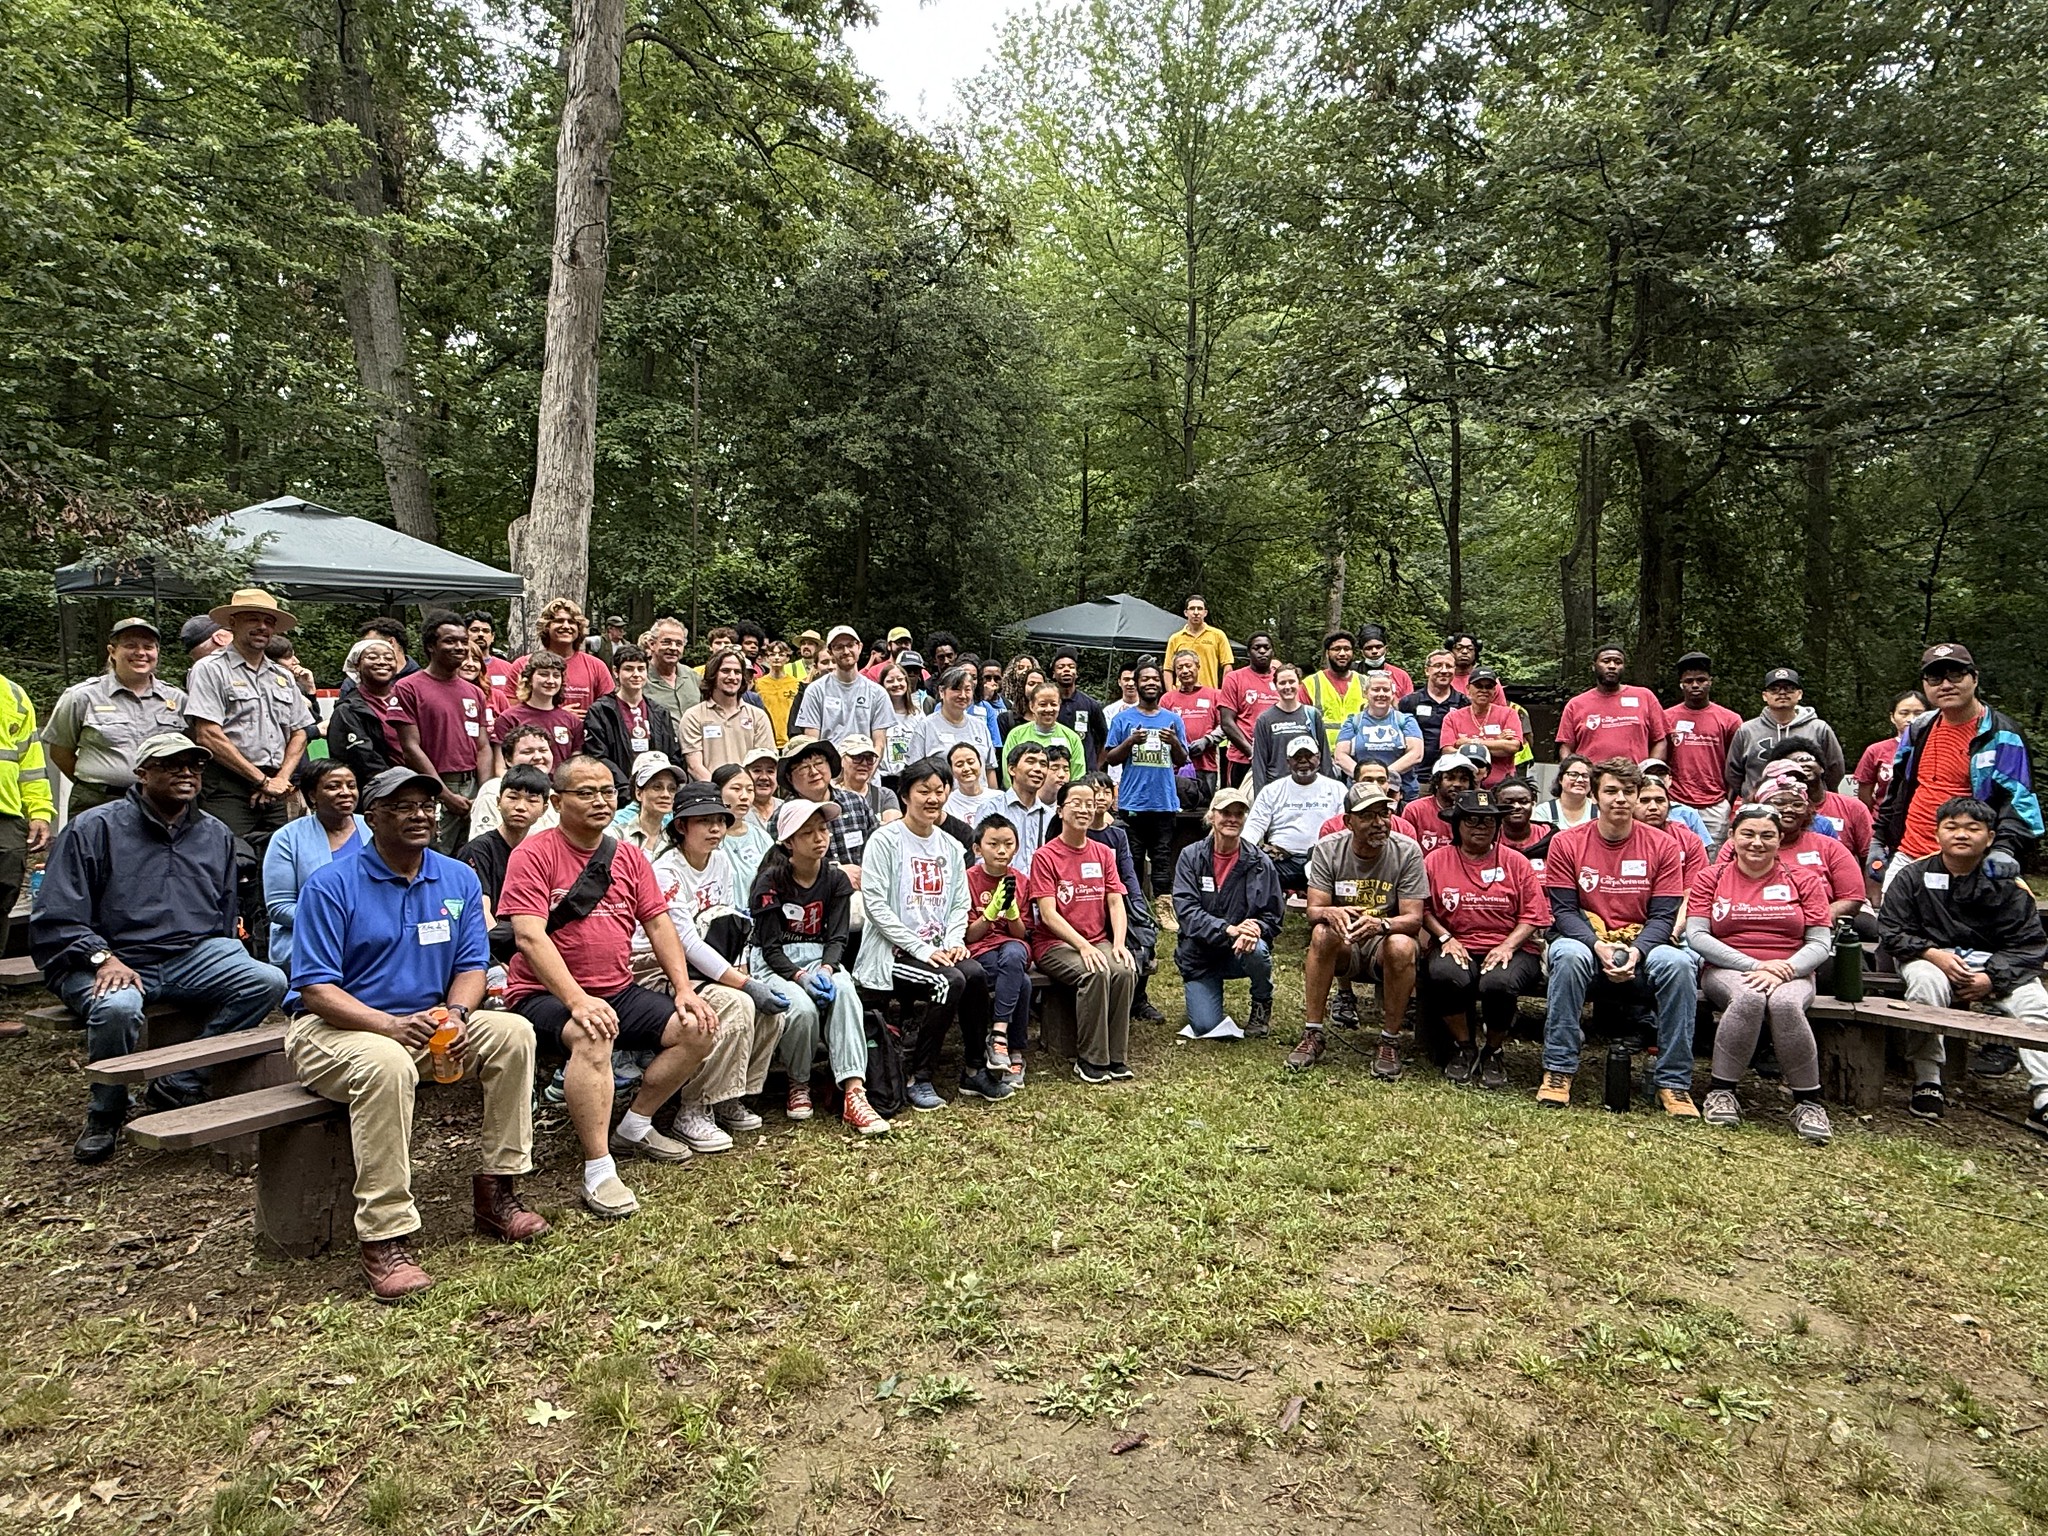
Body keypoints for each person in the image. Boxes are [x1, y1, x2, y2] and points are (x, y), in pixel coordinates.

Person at [284, 766, 547, 1300]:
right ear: (371, 816)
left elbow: (473, 965)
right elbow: (315, 990)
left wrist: (455, 1014)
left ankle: (499, 1190)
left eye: (426, 805)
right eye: (401, 806)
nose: (419, 815)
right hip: (335, 1029)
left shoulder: (456, 877)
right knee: (387, 1063)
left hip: (428, 1024)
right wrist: (388, 1025)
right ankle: (385, 1234)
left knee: (514, 1032)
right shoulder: (331, 885)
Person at [32, 734, 288, 1162]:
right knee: (116, 1009)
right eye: (172, 765)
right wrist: (102, 957)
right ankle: (106, 1112)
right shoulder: (94, 827)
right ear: (142, 773)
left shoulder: (215, 834)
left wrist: (225, 951)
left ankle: (183, 1080)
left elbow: (223, 913)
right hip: (105, 957)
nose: (186, 773)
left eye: (195, 766)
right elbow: (56, 914)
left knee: (266, 979)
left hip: (187, 956)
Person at [497, 756, 722, 1217]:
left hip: (618, 987)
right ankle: (598, 1168)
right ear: (557, 802)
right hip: (542, 995)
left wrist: (683, 988)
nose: (600, 800)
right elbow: (528, 936)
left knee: (696, 1027)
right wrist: (577, 1000)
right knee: (592, 1033)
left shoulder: (628, 856)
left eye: (607, 791)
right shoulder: (533, 855)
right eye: (586, 792)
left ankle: (635, 1125)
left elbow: (659, 924)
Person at [1536, 758, 1700, 1117]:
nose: (1621, 799)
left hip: (1645, 943)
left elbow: (1663, 916)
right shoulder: (1566, 843)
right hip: (1585, 940)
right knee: (1566, 956)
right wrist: (1599, 945)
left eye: (1629, 791)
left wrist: (1637, 952)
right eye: (1611, 790)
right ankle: (1559, 1070)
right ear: (1596, 794)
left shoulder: (1663, 845)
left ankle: (1673, 1082)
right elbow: (1562, 912)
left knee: (1680, 964)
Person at [636, 783, 791, 1149]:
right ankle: (694, 1107)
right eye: (702, 822)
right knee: (736, 1005)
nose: (714, 829)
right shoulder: (666, 871)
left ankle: (729, 1097)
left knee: (772, 1012)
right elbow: (683, 940)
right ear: (680, 827)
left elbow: (726, 922)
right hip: (657, 967)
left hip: (705, 965)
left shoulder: (720, 861)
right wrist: (743, 983)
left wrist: (742, 971)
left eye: (719, 821)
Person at [1879, 795, 2048, 1127]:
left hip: (1995, 964)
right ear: (1937, 833)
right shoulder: (1912, 877)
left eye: (1973, 828)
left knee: (2037, 1003)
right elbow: (1892, 929)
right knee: (1925, 983)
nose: (1961, 834)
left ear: (1990, 837)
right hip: (1929, 956)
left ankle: (2044, 1095)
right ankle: (1928, 1080)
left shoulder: (2010, 885)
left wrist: (1992, 977)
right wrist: (1934, 955)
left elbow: (2028, 945)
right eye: (1951, 827)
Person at [854, 756, 1011, 1107]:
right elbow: (875, 906)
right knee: (949, 981)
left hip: (940, 950)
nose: (932, 799)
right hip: (892, 953)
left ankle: (973, 1071)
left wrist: (955, 941)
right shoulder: (885, 841)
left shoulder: (952, 847)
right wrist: (923, 950)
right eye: (923, 791)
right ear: (905, 795)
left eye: (940, 791)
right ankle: (918, 1076)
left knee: (972, 973)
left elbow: (959, 903)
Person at [1687, 804, 1835, 1143]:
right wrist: (1754, 966)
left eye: (1767, 835)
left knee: (1784, 1004)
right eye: (1748, 834)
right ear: (1733, 838)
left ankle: (1808, 1103)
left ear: (1780, 839)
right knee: (1749, 996)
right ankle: (1722, 1091)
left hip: (1792, 970)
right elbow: (1697, 936)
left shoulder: (1804, 879)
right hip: (1728, 968)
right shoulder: (1712, 877)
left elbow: (1819, 942)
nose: (1757, 842)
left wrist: (1787, 969)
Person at [745, 799, 888, 1132]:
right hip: (775, 963)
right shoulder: (770, 882)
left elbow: (837, 938)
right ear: (789, 842)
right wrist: (799, 977)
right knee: (801, 1008)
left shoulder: (836, 880)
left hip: (821, 957)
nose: (819, 838)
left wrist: (825, 970)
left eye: (822, 829)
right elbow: (769, 947)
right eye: (807, 833)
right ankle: (799, 1080)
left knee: (846, 993)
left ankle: (855, 1091)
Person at [181, 587, 313, 936]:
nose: (261, 627)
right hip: (227, 785)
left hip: (277, 786)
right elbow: (207, 734)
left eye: (268, 621)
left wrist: (280, 779)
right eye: (253, 619)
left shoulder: (283, 676)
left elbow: (301, 731)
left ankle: (275, 945)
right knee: (230, 866)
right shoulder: (210, 670)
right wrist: (259, 780)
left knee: (281, 867)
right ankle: (227, 944)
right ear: (233, 622)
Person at [1874, 643, 2041, 889]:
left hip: (1971, 862)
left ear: (1974, 678)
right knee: (1891, 927)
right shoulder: (1919, 729)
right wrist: (1879, 839)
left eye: (1956, 674)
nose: (1945, 684)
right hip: (1909, 856)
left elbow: (2019, 801)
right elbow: (1897, 790)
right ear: (1924, 684)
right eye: (1935, 677)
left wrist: (2004, 848)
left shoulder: (2001, 735)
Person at [1290, 782, 1428, 1077]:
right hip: (1346, 940)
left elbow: (1414, 918)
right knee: (1322, 933)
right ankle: (1313, 1033)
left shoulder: (1407, 851)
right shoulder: (1329, 849)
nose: (1379, 823)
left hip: (1385, 939)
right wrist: (1331, 912)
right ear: (1348, 821)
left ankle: (1389, 1040)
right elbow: (1313, 911)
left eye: (1384, 814)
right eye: (1368, 816)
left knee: (1402, 945)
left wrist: (1381, 924)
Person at [1420, 789, 1550, 1087]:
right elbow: (1424, 908)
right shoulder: (1435, 861)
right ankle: (1465, 1047)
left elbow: (1533, 915)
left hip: (1513, 946)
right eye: (1472, 821)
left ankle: (1493, 1049)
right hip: (1456, 941)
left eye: (1488, 822)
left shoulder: (1516, 862)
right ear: (1457, 824)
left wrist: (1507, 945)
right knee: (1446, 974)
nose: (1481, 827)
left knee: (1498, 982)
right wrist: (1444, 938)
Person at [1028, 778, 1139, 1083]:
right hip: (1055, 944)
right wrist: (1083, 946)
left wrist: (1119, 943)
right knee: (1096, 973)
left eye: (1089, 803)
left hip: (1097, 939)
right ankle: (1091, 1059)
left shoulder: (1104, 853)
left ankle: (1116, 1056)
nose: (1084, 808)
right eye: (1076, 802)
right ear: (1061, 811)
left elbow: (1116, 903)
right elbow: (1048, 915)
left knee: (1124, 970)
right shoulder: (1045, 856)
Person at [42, 616, 188, 816]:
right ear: (112, 652)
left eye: (148, 646)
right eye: (130, 646)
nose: (140, 653)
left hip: (160, 802)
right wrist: (95, 782)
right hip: (97, 802)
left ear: (157, 652)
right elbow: (60, 752)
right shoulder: (82, 696)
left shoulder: (177, 700)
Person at [1172, 785, 1284, 1039]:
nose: (1232, 819)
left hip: (1242, 950)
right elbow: (1186, 911)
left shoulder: (1260, 862)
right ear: (1212, 816)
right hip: (1200, 954)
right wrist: (1229, 930)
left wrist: (1256, 928)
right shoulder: (1190, 857)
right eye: (1226, 813)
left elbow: (1273, 916)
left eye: (1239, 813)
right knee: (1204, 1026)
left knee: (1256, 948)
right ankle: (1205, 993)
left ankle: (1261, 1002)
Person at [390, 613, 494, 855]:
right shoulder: (408, 687)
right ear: (430, 646)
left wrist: (485, 791)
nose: (459, 647)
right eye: (450, 641)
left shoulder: (474, 692)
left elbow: (483, 745)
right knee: (432, 855)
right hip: (432, 786)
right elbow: (410, 747)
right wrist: (444, 794)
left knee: (474, 855)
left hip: (474, 786)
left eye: (463, 641)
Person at [263, 760, 368, 971]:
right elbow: (279, 907)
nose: (346, 792)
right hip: (310, 939)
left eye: (351, 785)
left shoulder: (374, 828)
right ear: (312, 795)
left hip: (375, 937)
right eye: (333, 786)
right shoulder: (288, 838)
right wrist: (340, 923)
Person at [1101, 663, 1189, 919]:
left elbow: (1182, 759)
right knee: (1133, 857)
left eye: (1155, 679)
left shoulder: (1173, 720)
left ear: (1161, 684)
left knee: (1162, 856)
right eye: (1145, 679)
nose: (1150, 683)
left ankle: (1163, 907)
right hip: (1132, 802)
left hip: (1164, 801)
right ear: (1136, 684)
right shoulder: (1122, 719)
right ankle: (1135, 907)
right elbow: (1111, 758)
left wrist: (1173, 742)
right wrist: (1130, 742)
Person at [458, 763, 552, 983]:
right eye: (513, 797)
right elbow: (482, 916)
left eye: (532, 800)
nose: (521, 806)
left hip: (531, 943)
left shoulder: (540, 852)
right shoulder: (478, 850)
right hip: (490, 949)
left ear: (545, 809)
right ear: (498, 802)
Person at [965, 815, 1034, 1080]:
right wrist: (991, 913)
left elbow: (1022, 934)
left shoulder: (1021, 882)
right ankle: (1014, 1051)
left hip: (1012, 948)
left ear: (1016, 847)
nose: (1001, 850)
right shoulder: (968, 879)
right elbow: (970, 936)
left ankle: (998, 1037)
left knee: (1015, 953)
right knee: (1023, 983)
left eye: (1008, 844)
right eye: (993, 844)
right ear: (977, 848)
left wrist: (1012, 913)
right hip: (982, 951)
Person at [1726, 667, 1847, 801]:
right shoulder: (1747, 730)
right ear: (1765, 696)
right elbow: (1733, 772)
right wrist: (1749, 794)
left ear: (1800, 694)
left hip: (1807, 804)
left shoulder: (1819, 728)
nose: (1782, 693)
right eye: (1774, 689)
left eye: (1789, 688)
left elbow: (1834, 768)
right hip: (1760, 806)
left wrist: (1818, 794)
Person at [779, 736, 878, 890]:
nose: (813, 772)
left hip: (862, 892)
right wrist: (834, 872)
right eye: (803, 768)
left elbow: (877, 848)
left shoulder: (856, 802)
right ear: (789, 778)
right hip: (812, 900)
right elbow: (780, 868)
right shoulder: (783, 815)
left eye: (819, 763)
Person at [1246, 738, 1347, 890]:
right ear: (1288, 762)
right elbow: (1254, 826)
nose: (1303, 761)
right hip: (1281, 860)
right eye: (1297, 757)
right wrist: (1242, 850)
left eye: (1309, 756)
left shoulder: (1337, 789)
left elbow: (1345, 828)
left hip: (1325, 859)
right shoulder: (1272, 790)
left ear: (1318, 758)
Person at [1663, 653, 1744, 843]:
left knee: (1713, 859)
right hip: (1676, 801)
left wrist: (1728, 802)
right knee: (1677, 853)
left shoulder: (1730, 720)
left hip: (1715, 803)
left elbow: (1736, 765)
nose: (1695, 685)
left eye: (1701, 680)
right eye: (1689, 681)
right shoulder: (1666, 718)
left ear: (1710, 682)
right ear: (1681, 684)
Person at [586, 643, 684, 794]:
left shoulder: (660, 712)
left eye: (641, 669)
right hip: (616, 792)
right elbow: (598, 756)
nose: (636, 674)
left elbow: (672, 754)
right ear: (616, 672)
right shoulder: (601, 711)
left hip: (655, 792)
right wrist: (626, 789)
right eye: (629, 669)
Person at [1556, 645, 1670, 765]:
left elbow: (1660, 740)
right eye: (1606, 661)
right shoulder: (1576, 704)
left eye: (1618, 662)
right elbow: (1566, 747)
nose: (1612, 666)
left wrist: (1649, 773)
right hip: (1591, 779)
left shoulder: (1644, 697)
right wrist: (1571, 773)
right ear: (1593, 666)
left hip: (1634, 779)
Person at [679, 648, 776, 782]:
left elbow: (765, 763)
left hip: (749, 793)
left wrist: (743, 789)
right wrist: (719, 792)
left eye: (737, 672)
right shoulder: (693, 716)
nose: (732, 677)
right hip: (711, 795)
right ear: (713, 674)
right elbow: (694, 766)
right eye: (725, 671)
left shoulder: (758, 716)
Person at [794, 625, 892, 755]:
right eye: (839, 647)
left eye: (850, 645)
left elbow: (879, 745)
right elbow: (812, 742)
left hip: (866, 768)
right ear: (830, 652)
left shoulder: (878, 693)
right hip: (829, 771)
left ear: (860, 647)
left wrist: (867, 774)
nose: (846, 651)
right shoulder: (815, 691)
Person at [510, 599, 614, 717]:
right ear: (546, 626)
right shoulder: (523, 665)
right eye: (559, 621)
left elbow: (610, 709)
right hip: (536, 733)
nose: (566, 626)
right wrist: (558, 717)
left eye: (571, 622)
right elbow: (512, 712)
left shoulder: (596, 666)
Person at [326, 638, 406, 788]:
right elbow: (364, 759)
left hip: (420, 782)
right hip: (380, 790)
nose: (382, 662)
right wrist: (398, 785)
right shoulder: (347, 710)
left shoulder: (408, 699)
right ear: (357, 665)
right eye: (372, 657)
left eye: (389, 658)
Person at [1334, 673, 1424, 796]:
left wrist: (1382, 776)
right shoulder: (1353, 722)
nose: (1381, 694)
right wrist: (1366, 778)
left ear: (1392, 694)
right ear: (1365, 693)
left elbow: (1416, 754)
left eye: (1386, 690)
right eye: (1375, 690)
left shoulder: (1406, 720)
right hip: (1361, 793)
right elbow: (1340, 755)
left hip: (1401, 793)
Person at [470, 726, 562, 841]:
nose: (538, 757)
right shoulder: (494, 789)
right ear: (508, 760)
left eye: (543, 750)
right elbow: (482, 844)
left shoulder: (554, 794)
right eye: (527, 752)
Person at [1437, 668, 1522, 788]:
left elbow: (1513, 746)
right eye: (1478, 686)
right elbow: (1447, 750)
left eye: (1488, 687)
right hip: (1463, 785)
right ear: (1468, 689)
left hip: (1502, 785)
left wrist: (1469, 743)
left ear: (1494, 690)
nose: (1483, 690)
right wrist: (1497, 743)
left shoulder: (1509, 714)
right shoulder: (1452, 717)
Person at [1249, 664, 1329, 790]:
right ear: (1275, 686)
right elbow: (1259, 762)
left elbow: (1324, 756)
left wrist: (1328, 789)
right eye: (1282, 683)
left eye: (1291, 682)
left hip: (1309, 785)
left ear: (1299, 684)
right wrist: (1260, 796)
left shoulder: (1312, 715)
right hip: (1277, 788)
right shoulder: (1265, 719)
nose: (1287, 687)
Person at [495, 653, 583, 766]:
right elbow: (500, 767)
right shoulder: (508, 718)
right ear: (529, 679)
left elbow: (575, 767)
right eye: (543, 674)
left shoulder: (572, 721)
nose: (551, 681)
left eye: (556, 676)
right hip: (522, 782)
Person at [1217, 633, 1281, 786]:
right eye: (1256, 648)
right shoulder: (1234, 678)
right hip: (1242, 758)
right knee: (1240, 807)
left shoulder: (1281, 680)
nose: (1262, 651)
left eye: (1267, 647)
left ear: (1273, 651)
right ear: (1248, 653)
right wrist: (1252, 753)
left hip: (1276, 759)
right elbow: (1227, 722)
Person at [909, 665, 996, 772]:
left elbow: (989, 770)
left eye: (967, 690)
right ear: (941, 691)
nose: (963, 695)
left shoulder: (980, 726)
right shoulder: (926, 727)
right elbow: (914, 772)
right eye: (956, 689)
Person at [1855, 691, 1926, 812]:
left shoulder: (1937, 747)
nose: (1911, 719)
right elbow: (1864, 793)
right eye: (1904, 713)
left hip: (1924, 819)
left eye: (1918, 714)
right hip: (1885, 819)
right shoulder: (1875, 750)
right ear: (1892, 717)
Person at [1003, 682, 1087, 778]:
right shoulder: (1016, 735)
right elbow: (1008, 772)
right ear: (1032, 706)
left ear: (1060, 705)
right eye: (1043, 704)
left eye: (1053, 704)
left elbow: (1078, 775)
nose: (1048, 709)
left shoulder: (1072, 738)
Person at [1399, 751, 1478, 853]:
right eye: (1450, 778)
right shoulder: (1415, 810)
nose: (1457, 784)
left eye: (1464, 779)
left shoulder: (1476, 811)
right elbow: (1405, 850)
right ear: (1437, 782)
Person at [1398, 650, 1468, 764]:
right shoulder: (1410, 702)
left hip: (1453, 771)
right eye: (1438, 665)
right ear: (1427, 670)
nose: (1444, 670)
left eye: (1449, 666)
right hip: (1417, 770)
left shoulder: (1464, 702)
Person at [1302, 631, 1366, 754]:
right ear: (1327, 653)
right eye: (1336, 649)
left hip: (1359, 755)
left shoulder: (1366, 683)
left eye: (1347, 649)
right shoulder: (1310, 683)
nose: (1342, 653)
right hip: (1322, 755)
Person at [714, 763, 772, 892]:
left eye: (750, 790)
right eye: (736, 789)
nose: (745, 796)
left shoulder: (761, 837)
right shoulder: (710, 838)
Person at [1049, 649, 1108, 771]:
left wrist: (1096, 766)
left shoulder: (1091, 705)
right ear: (1053, 674)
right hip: (1054, 771)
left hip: (1084, 773)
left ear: (1076, 673)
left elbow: (1105, 738)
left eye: (1071, 667)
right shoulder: (1048, 705)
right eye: (1061, 667)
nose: (1066, 670)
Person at [611, 752, 681, 853]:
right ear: (638, 792)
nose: (666, 794)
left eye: (672, 788)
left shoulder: (677, 836)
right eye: (657, 787)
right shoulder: (616, 831)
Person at [1164, 594, 1234, 688]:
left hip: (1209, 692)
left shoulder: (1218, 635)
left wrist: (1223, 693)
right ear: (1186, 612)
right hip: (1182, 694)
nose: (1196, 612)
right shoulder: (1175, 638)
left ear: (1205, 613)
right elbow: (1168, 669)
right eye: (1192, 608)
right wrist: (1171, 694)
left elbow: (1227, 667)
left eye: (1200, 609)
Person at [642, 617, 702, 719]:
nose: (673, 648)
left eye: (679, 643)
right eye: (666, 642)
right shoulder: (641, 679)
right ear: (652, 644)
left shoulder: (693, 677)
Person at [837, 734, 902, 822]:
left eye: (869, 758)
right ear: (841, 760)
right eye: (857, 757)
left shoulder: (884, 795)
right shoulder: (831, 797)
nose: (864, 763)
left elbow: (894, 830)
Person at [945, 741, 1005, 831]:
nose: (966, 768)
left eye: (971, 762)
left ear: (980, 764)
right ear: (951, 770)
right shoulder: (947, 803)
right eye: (959, 765)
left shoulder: (1000, 798)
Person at [878, 663, 925, 774]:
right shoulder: (876, 714)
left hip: (910, 776)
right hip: (883, 777)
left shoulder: (917, 714)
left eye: (900, 679)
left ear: (906, 683)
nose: (896, 684)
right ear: (882, 685)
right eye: (890, 681)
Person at [1533, 754, 1596, 831]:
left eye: (1585, 776)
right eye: (1573, 775)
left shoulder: (1600, 811)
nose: (1580, 780)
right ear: (1560, 779)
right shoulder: (1544, 811)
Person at [1355, 625, 1414, 698]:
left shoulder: (1401, 676)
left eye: (1378, 647)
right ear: (1362, 652)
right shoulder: (1353, 674)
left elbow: (1409, 705)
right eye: (1368, 648)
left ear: (1386, 649)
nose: (1374, 651)